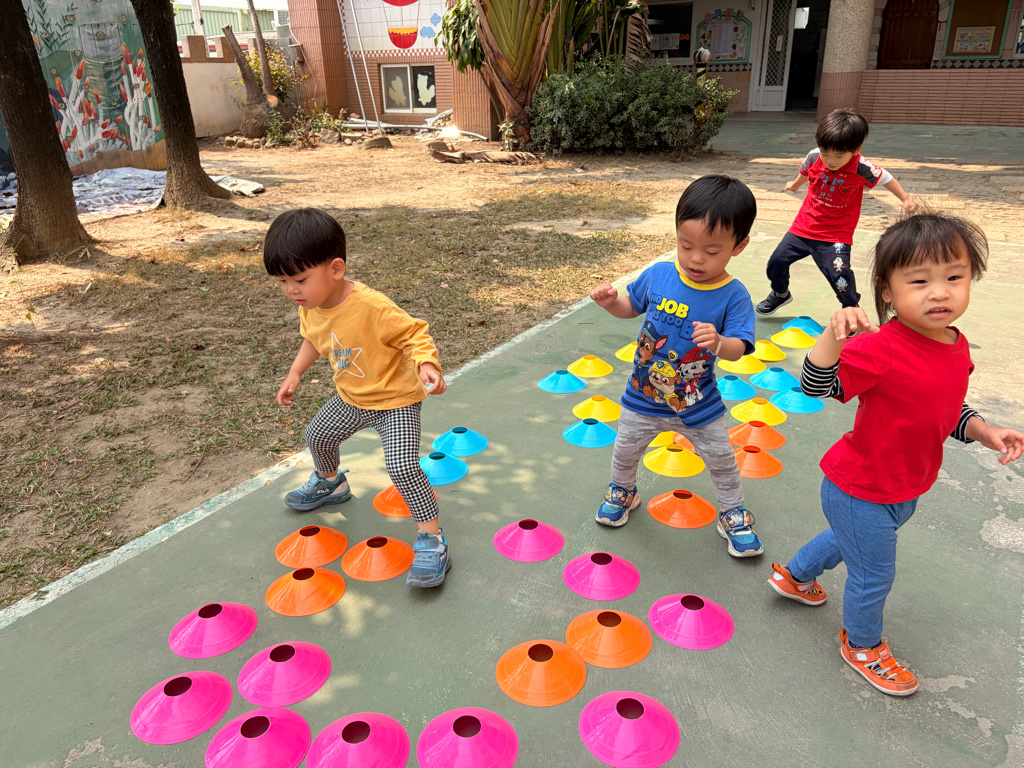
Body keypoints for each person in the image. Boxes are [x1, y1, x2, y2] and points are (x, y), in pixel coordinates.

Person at [767, 214, 1023, 696]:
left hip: (903, 486)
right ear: (887, 290)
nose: (939, 292)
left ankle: (794, 577)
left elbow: (945, 406)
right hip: (860, 488)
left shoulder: (954, 344)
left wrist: (984, 431)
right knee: (873, 573)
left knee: (847, 542)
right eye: (919, 281)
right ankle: (862, 645)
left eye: (954, 277)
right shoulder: (881, 348)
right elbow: (816, 386)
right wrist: (833, 335)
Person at [265, 208, 451, 588]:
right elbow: (314, 338)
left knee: (402, 467)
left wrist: (427, 363)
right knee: (318, 435)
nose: (291, 290)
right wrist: (296, 372)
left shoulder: (371, 306)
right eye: (282, 281)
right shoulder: (311, 306)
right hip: (352, 398)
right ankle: (331, 482)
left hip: (395, 402)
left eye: (299, 279)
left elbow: (414, 333)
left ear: (336, 269)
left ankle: (432, 538)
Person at [589, 175, 763, 558]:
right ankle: (624, 490)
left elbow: (739, 348)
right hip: (642, 398)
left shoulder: (733, 296)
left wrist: (719, 343)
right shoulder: (659, 275)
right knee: (625, 450)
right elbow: (630, 307)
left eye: (712, 251)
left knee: (721, 460)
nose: (696, 258)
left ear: (739, 246)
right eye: (686, 245)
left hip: (699, 406)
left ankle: (732, 512)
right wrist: (610, 302)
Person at [756, 108, 918, 316]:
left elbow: (886, 178)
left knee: (840, 277)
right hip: (803, 227)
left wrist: (905, 199)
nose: (830, 160)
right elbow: (806, 172)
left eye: (838, 156)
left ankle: (851, 309)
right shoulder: (814, 156)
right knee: (775, 263)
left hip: (836, 235)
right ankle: (780, 293)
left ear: (856, 149)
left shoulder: (862, 168)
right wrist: (795, 185)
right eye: (826, 153)